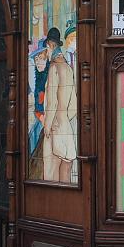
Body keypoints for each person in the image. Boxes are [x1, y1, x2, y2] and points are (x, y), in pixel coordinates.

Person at [42, 25, 78, 183]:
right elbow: (74, 104)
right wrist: (64, 119)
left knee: (51, 170)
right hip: (65, 126)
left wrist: (48, 125)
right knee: (67, 163)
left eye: (46, 48)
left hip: (54, 124)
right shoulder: (68, 68)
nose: (46, 52)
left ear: (50, 45)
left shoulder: (54, 68)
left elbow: (51, 102)